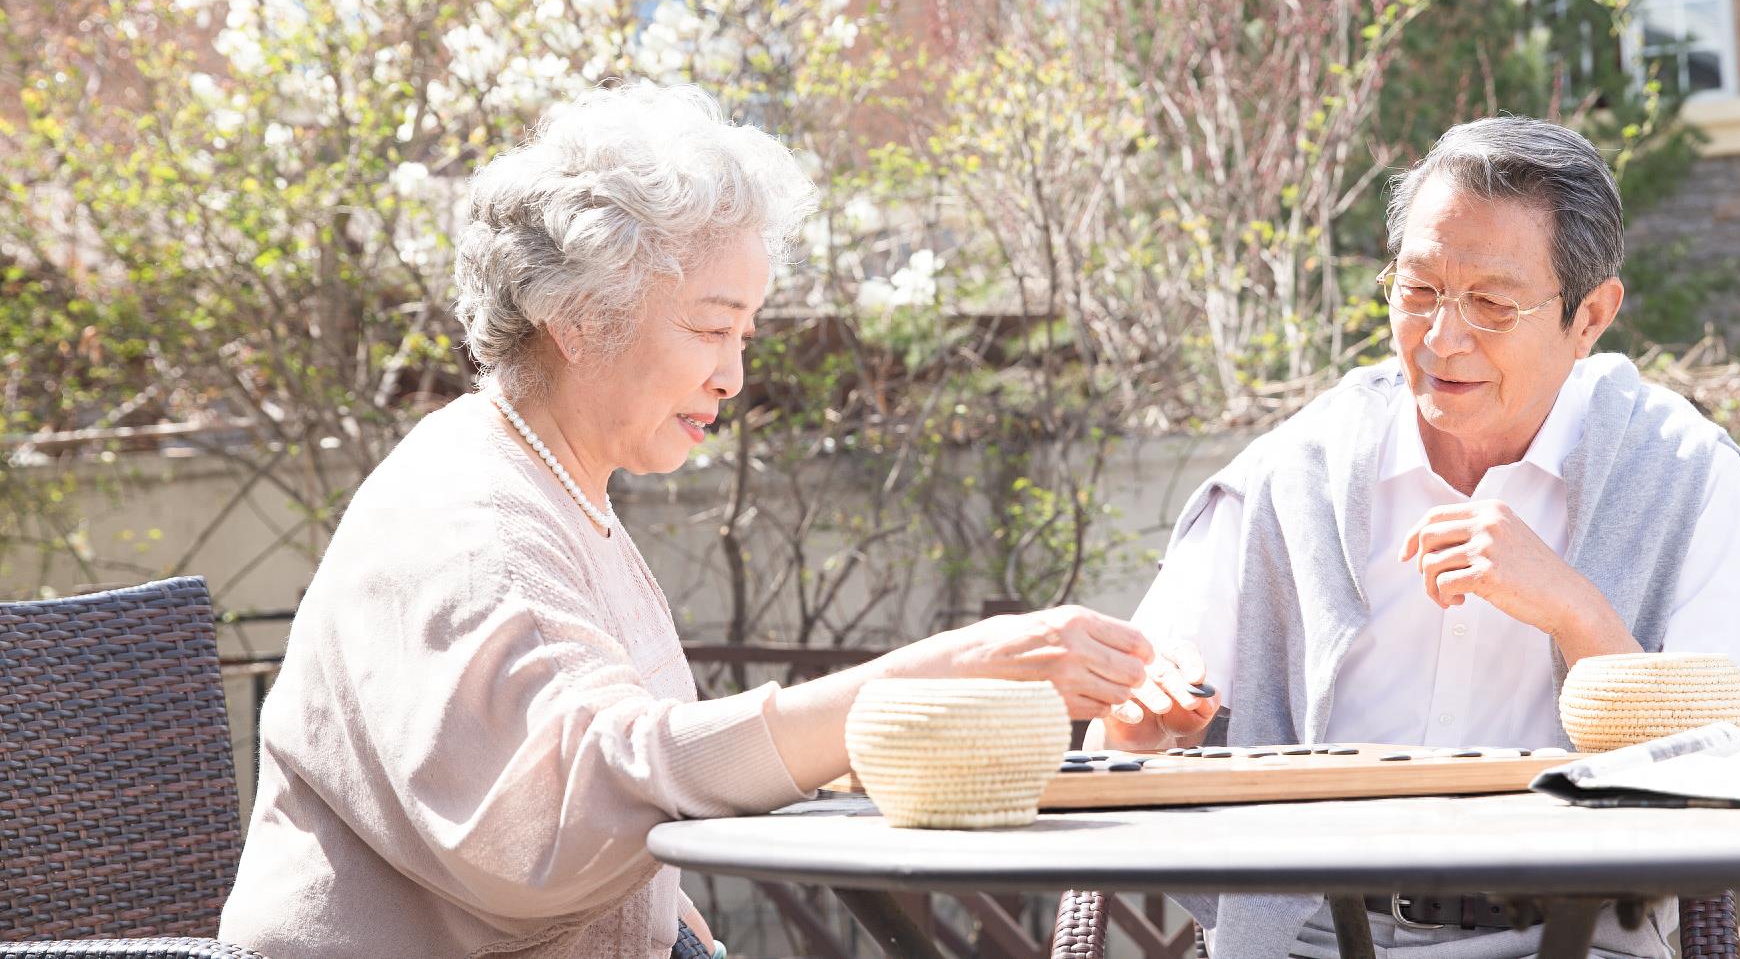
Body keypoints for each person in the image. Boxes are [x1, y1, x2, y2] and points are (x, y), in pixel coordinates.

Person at [219, 83, 1165, 959]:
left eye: (744, 335)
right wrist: (943, 669)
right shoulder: (473, 523)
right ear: (579, 318)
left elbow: (627, 803)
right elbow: (571, 808)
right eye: (711, 328)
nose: (733, 374)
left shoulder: (550, 484)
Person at [1101, 117, 1740, 959]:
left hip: (1581, 936)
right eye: (1418, 290)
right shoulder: (1295, 471)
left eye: (1491, 303)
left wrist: (1577, 613)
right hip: (1310, 936)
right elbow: (1129, 723)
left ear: (1590, 315)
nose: (1442, 337)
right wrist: (1143, 723)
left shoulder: (1683, 471)